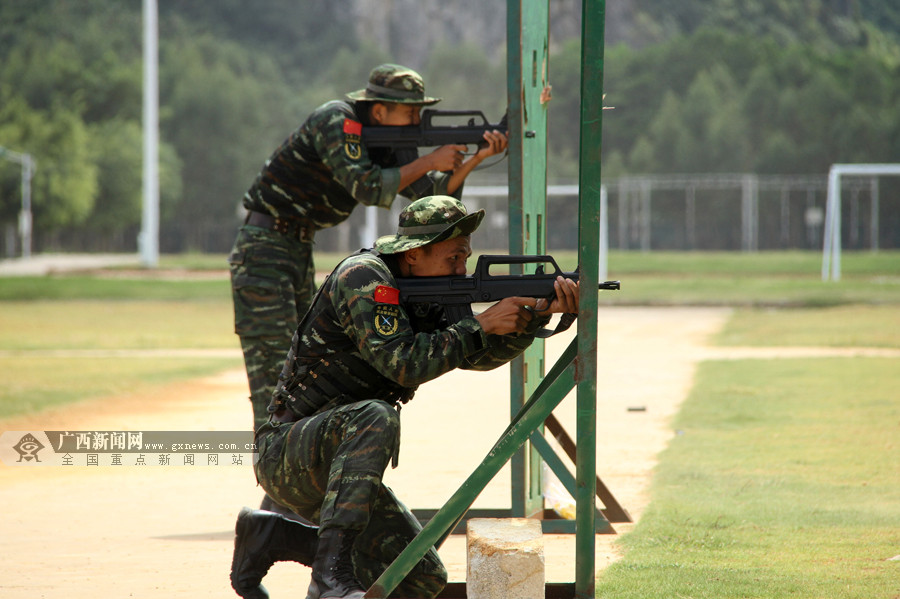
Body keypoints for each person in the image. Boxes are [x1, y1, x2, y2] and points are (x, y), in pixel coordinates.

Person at [229, 195, 579, 599]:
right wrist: (482, 323)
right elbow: (403, 364)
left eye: (465, 257)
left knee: (420, 576)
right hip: (287, 453)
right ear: (413, 254)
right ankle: (329, 578)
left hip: (340, 459)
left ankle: (272, 536)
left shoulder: (427, 290)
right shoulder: (364, 277)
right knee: (377, 415)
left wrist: (530, 320)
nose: (461, 268)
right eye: (453, 257)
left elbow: (476, 356)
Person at [228, 64, 508, 434]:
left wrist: (474, 159)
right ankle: (275, 457)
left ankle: (294, 456)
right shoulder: (337, 120)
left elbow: (430, 199)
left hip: (296, 246)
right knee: (273, 375)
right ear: (378, 111)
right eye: (410, 113)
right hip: (265, 249)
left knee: (297, 370)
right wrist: (430, 160)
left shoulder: (383, 146)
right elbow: (367, 186)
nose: (416, 123)